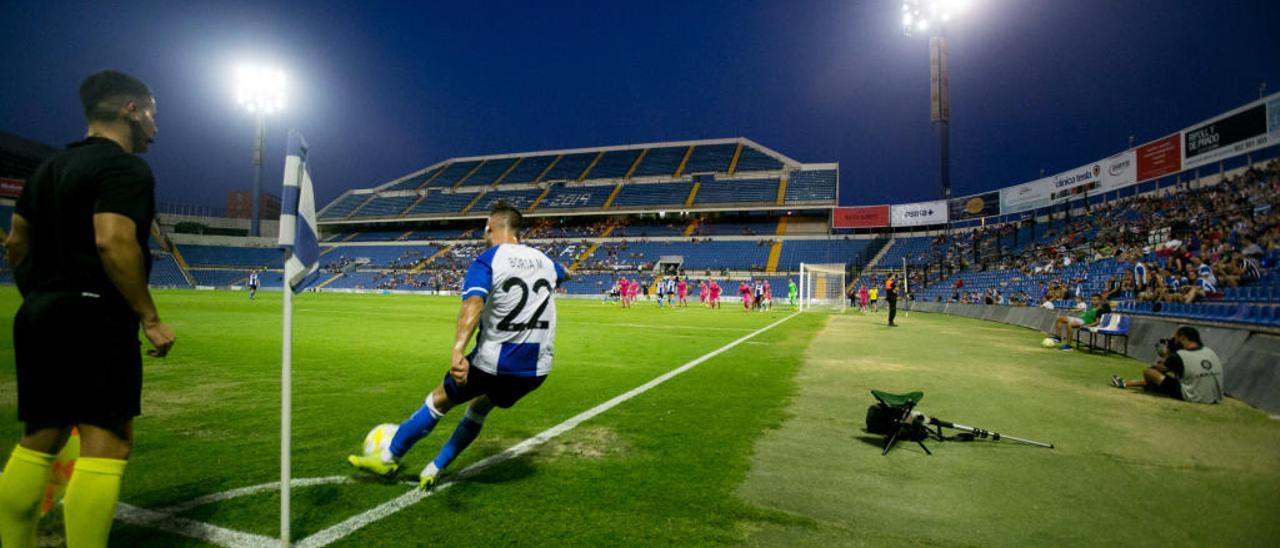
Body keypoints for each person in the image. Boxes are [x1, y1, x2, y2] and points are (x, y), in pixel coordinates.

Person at [0, 70, 176, 548]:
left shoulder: (46, 170)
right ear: (131, 111)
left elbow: (17, 244)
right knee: (108, 441)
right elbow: (113, 241)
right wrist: (150, 318)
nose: (156, 128)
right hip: (96, 318)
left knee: (40, 440)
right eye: (154, 115)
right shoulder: (125, 169)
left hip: (40, 312)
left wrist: (40, 296)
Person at [348, 203, 568, 489]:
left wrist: (457, 350)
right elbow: (565, 272)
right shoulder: (546, 263)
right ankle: (435, 467)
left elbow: (472, 304)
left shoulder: (488, 260)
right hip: (535, 372)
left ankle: (389, 456)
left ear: (490, 225)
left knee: (440, 399)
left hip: (493, 363)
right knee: (480, 406)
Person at [1111, 326, 1223, 404]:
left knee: (1150, 373)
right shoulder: (1209, 351)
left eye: (1176, 338)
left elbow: (1157, 370)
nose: (1174, 341)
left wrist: (1167, 354)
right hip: (1214, 396)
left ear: (1183, 338)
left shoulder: (1179, 355)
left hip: (1194, 396)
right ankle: (1126, 383)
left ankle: (1126, 383)